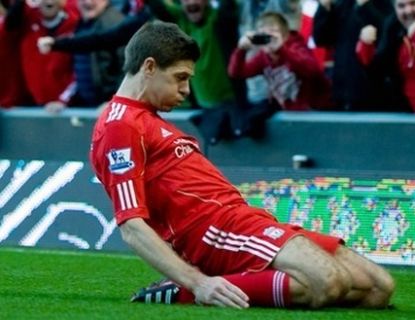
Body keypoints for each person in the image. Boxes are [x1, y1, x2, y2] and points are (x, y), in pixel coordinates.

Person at [90, 20, 395, 309]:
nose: (185, 90)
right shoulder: (121, 126)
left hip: (245, 219)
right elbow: (131, 226)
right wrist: (197, 283)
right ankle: (186, 291)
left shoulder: (148, 119)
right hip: (212, 231)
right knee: (327, 282)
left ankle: (217, 284)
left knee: (379, 287)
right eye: (180, 78)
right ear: (149, 67)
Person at [228, 11, 332, 111]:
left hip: (316, 111)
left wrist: (281, 50)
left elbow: (311, 69)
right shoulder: (264, 56)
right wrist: (241, 50)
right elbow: (236, 73)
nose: (269, 40)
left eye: (273, 35)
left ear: (285, 35)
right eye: (264, 36)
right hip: (289, 113)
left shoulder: (297, 47)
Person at [312, 0, 393, 111]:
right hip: (342, 89)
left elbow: (387, 32)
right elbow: (321, 39)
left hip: (373, 91)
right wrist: (324, 8)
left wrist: (365, 6)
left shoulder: (385, 4)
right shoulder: (343, 4)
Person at [4, 0, 78, 112]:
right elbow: (9, 24)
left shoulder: (75, 24)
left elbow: (81, 69)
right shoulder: (26, 20)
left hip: (67, 108)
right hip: (28, 105)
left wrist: (62, 100)